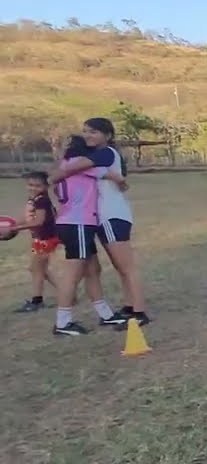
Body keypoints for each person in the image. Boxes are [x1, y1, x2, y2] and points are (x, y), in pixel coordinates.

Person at [51, 117, 150, 327]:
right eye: (85, 131)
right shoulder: (99, 156)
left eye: (93, 132)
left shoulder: (104, 154)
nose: (88, 135)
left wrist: (57, 174)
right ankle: (130, 306)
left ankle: (139, 313)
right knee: (120, 267)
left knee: (127, 267)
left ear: (108, 136)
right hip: (102, 218)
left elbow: (72, 168)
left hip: (111, 216)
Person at [49, 136, 123, 336]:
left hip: (76, 223)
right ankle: (63, 323)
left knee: (93, 270)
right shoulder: (80, 166)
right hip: (78, 223)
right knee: (74, 273)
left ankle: (106, 315)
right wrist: (120, 180)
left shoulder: (65, 166)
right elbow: (114, 176)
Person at [11, 172, 60, 313]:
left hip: (47, 238)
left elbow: (38, 222)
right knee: (38, 269)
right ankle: (66, 292)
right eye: (30, 185)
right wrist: (10, 225)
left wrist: (15, 228)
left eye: (38, 185)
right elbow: (27, 218)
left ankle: (37, 301)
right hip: (41, 239)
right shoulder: (34, 199)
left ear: (45, 186)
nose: (33, 188)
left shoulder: (42, 201)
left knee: (37, 269)